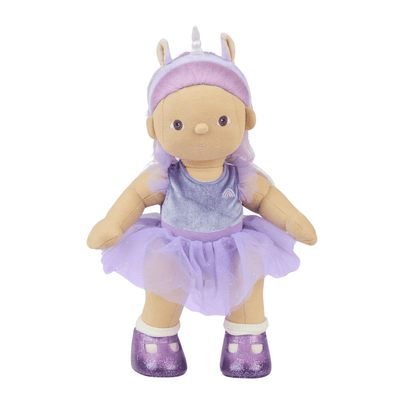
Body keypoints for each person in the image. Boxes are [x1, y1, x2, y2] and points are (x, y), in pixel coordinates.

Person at [87, 27, 317, 378]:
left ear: (246, 119)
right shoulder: (165, 176)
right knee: (163, 284)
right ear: (154, 127)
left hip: (234, 246)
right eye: (178, 123)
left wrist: (292, 219)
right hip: (174, 246)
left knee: (249, 281)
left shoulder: (241, 176)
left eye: (223, 120)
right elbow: (135, 196)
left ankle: (246, 342)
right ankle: (156, 339)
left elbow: (267, 198)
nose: (200, 130)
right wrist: (113, 224)